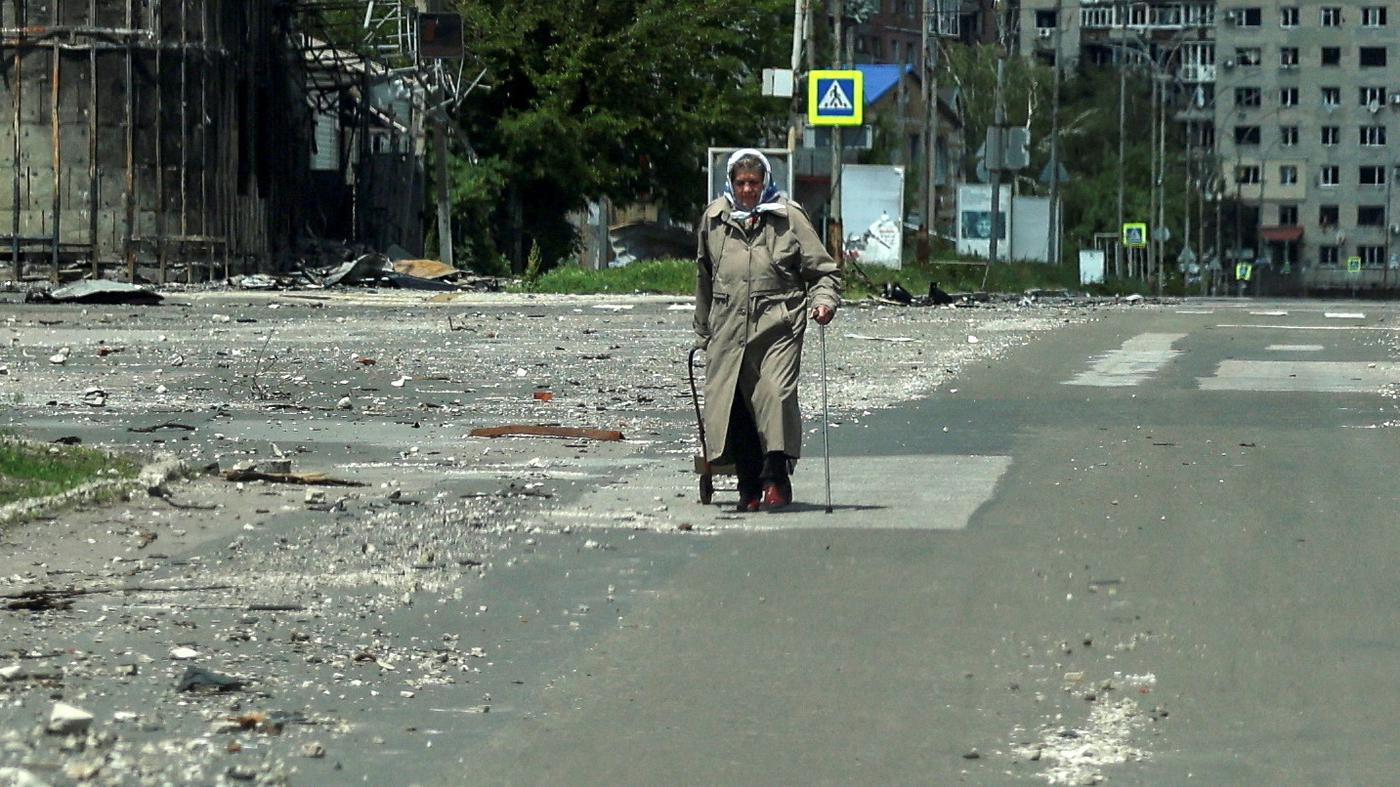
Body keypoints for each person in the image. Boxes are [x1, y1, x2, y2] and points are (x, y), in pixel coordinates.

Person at [694, 149, 842, 512]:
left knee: (774, 395)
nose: (747, 190)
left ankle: (775, 477)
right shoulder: (714, 219)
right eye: (741, 183)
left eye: (754, 183)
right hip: (729, 327)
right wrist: (702, 330)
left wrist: (823, 302)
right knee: (736, 406)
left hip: (778, 322)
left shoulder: (788, 217)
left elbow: (823, 271)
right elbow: (704, 277)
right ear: (730, 183)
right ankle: (749, 488)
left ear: (766, 183)